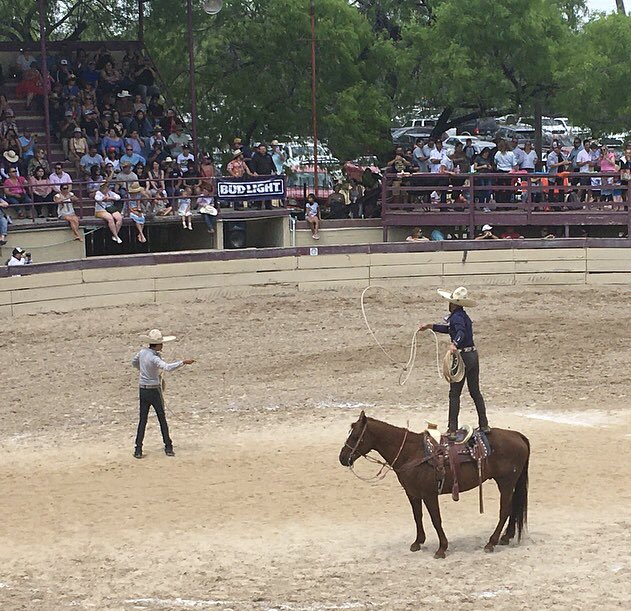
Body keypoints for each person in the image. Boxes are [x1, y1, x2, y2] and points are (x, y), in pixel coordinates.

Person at [419, 287, 490, 436]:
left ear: (453, 304)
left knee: (454, 394)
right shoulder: (462, 316)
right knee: (475, 391)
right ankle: (484, 424)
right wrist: (431, 326)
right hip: (473, 355)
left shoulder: (456, 317)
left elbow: (459, 333)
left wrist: (455, 344)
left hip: (462, 357)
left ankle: (452, 429)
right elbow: (451, 330)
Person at [131, 329, 195, 459]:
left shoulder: (142, 353)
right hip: (154, 390)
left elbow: (134, 362)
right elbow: (167, 367)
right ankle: (168, 446)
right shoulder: (154, 357)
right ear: (157, 344)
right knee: (162, 418)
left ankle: (138, 449)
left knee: (142, 420)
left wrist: (142, 371)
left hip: (143, 389)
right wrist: (183, 362)